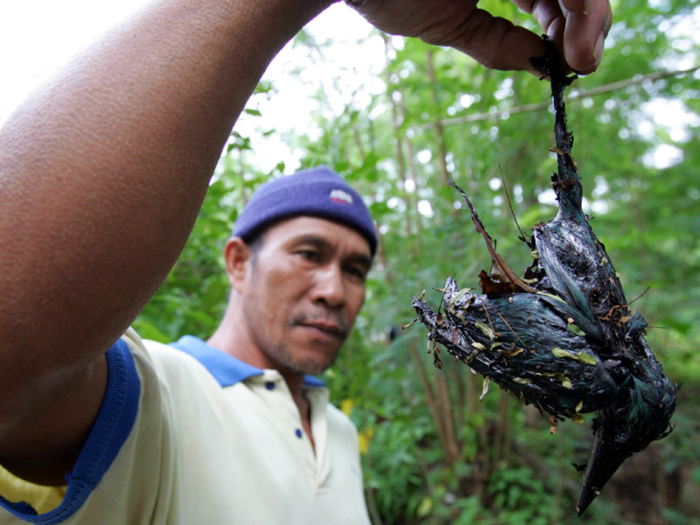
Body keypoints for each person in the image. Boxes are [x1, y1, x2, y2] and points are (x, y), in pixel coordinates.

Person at [0, 0, 612, 523]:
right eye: (309, 254)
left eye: (354, 269)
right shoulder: (160, 399)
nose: (334, 290)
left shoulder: (342, 434)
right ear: (238, 262)